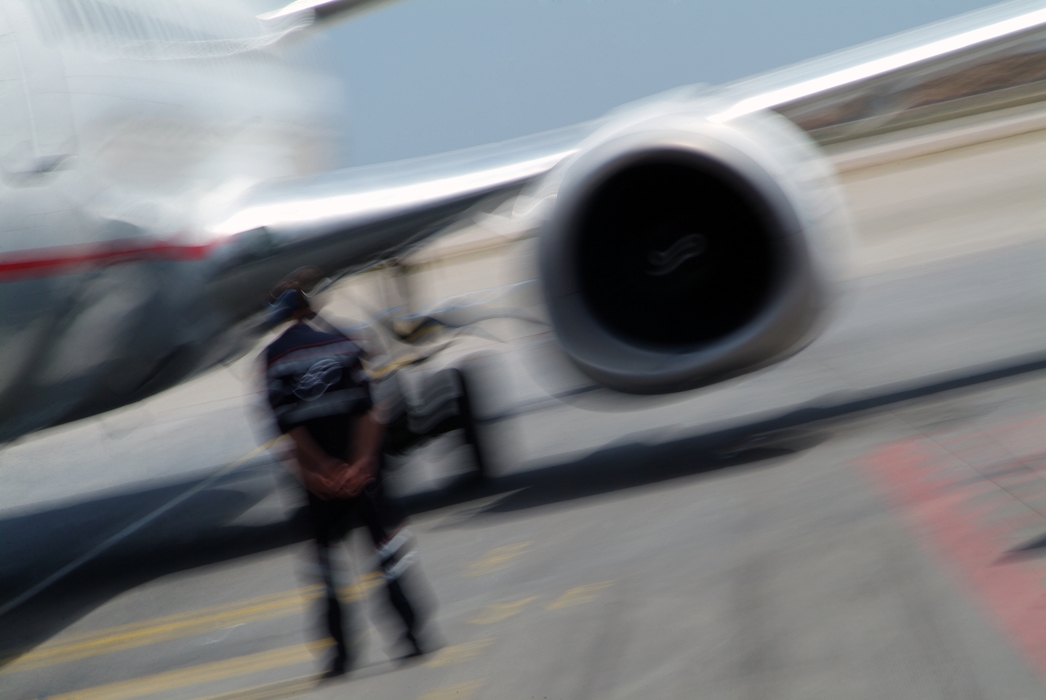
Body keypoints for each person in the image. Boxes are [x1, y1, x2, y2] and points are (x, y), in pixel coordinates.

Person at [262, 279, 435, 678]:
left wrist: (319, 470)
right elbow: (373, 410)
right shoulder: (348, 342)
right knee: (388, 556)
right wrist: (360, 465)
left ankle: (339, 658)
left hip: (317, 481)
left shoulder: (273, 358)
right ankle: (411, 637)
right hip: (365, 473)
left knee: (325, 570)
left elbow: (287, 428)